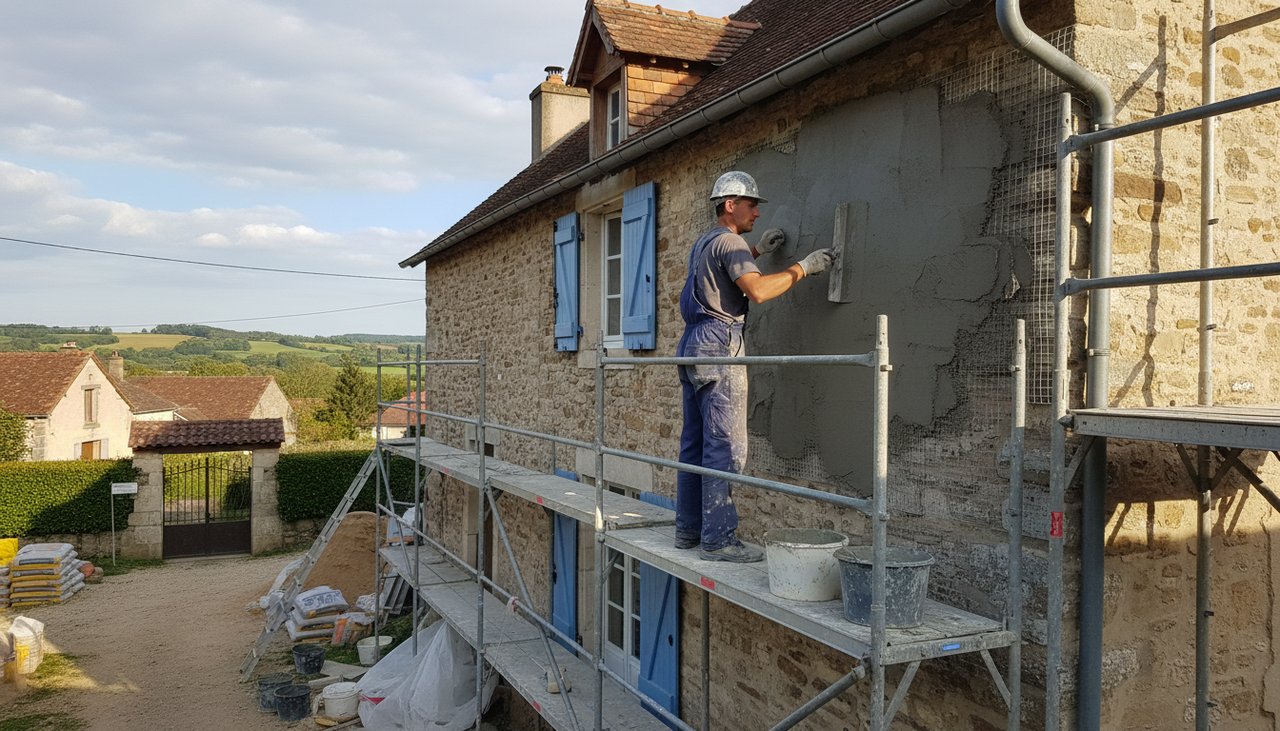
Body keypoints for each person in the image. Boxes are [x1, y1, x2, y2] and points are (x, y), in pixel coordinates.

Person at [675, 171, 835, 562]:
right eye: (752, 205)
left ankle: (688, 531)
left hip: (693, 344)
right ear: (730, 205)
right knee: (726, 447)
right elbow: (758, 291)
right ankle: (718, 541)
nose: (758, 213)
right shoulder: (730, 241)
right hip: (719, 344)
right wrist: (804, 268)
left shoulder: (707, 242)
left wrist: (757, 252)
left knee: (694, 443)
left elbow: (719, 282)